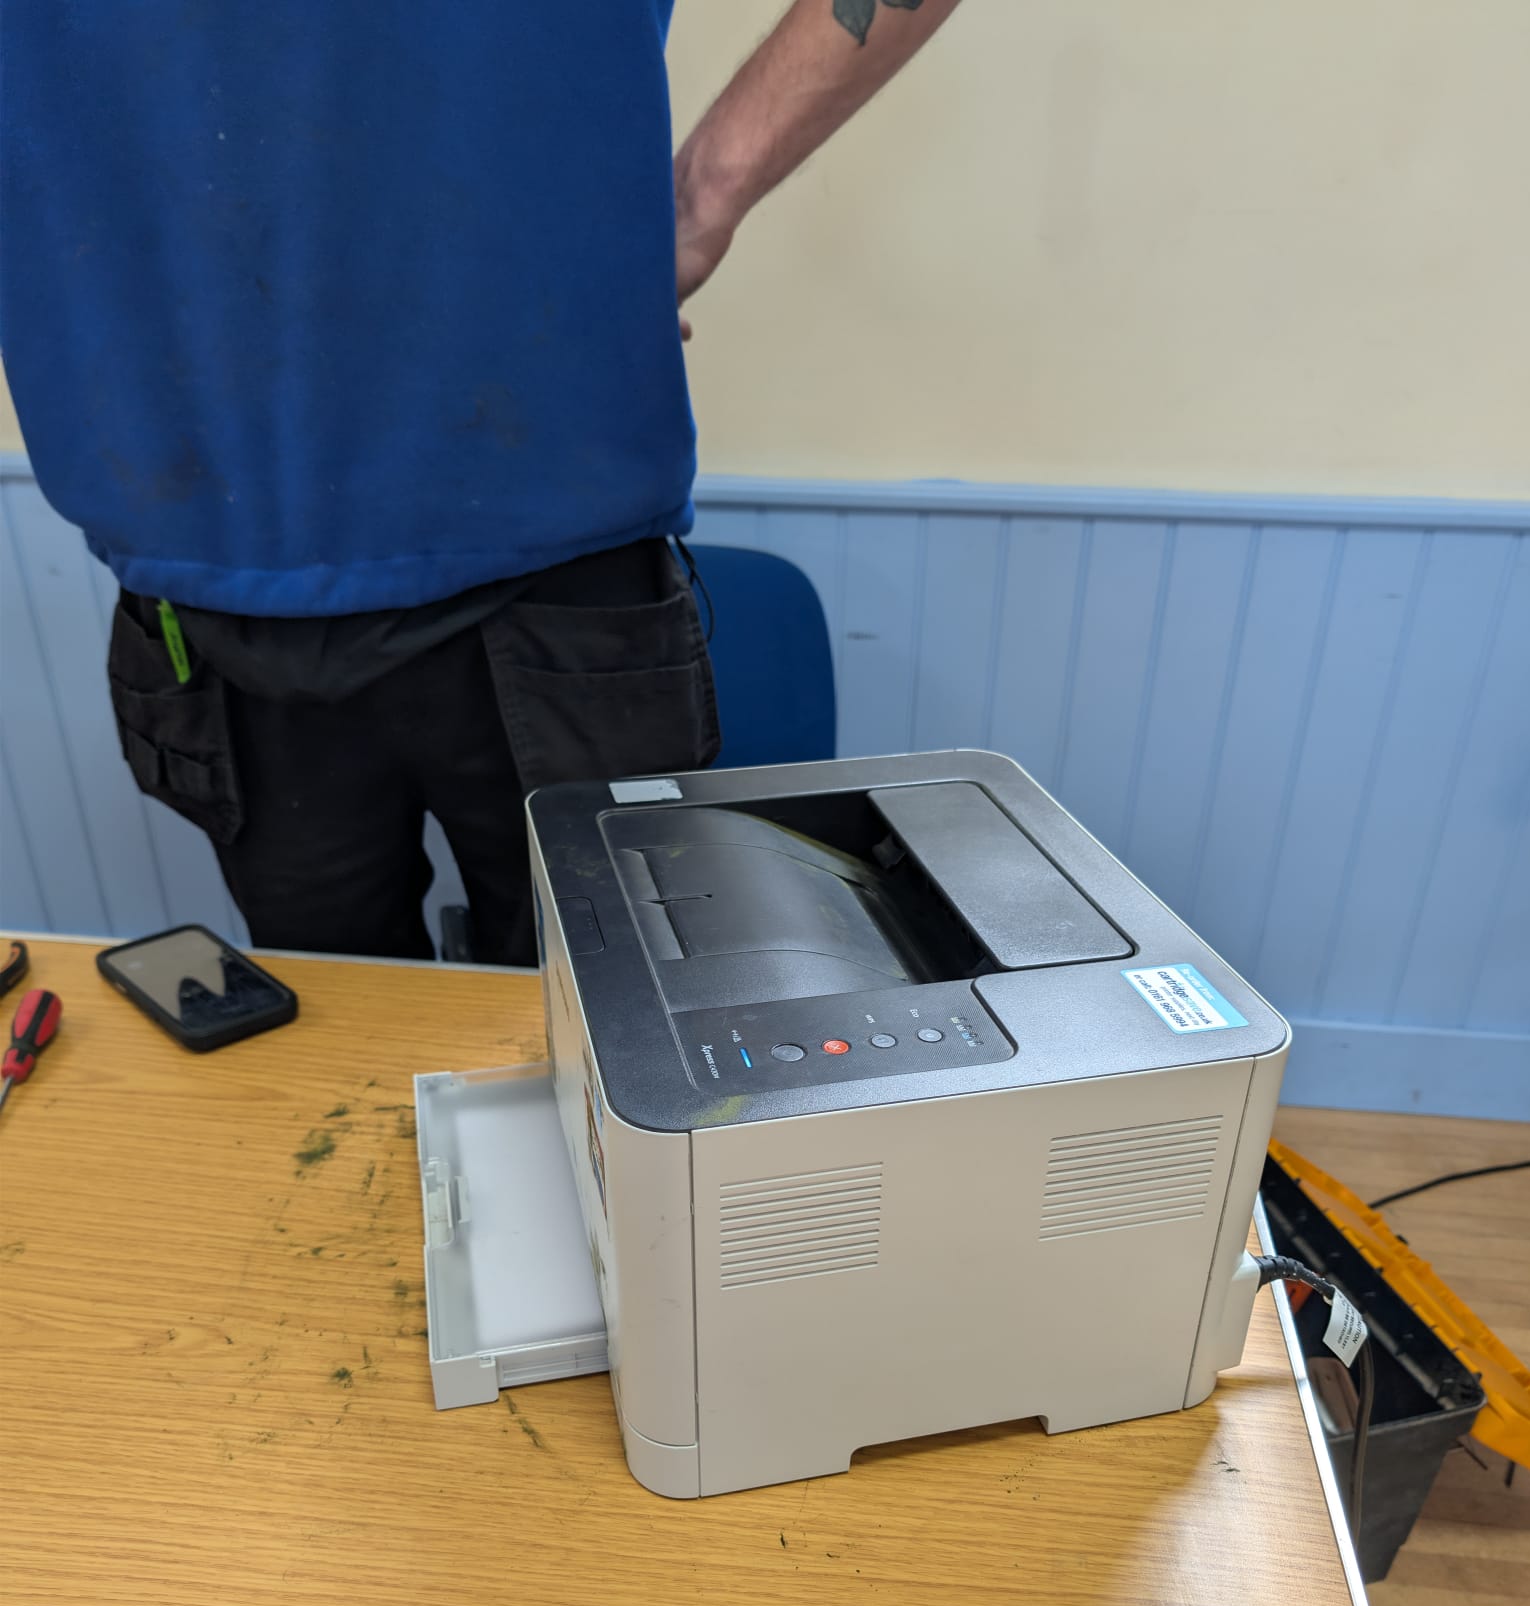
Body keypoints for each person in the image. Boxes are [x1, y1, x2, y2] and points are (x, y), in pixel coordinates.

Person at [1, 1, 962, 964]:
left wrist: (705, 194)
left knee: (600, 1038)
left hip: (549, 548)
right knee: (340, 1050)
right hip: (207, 554)